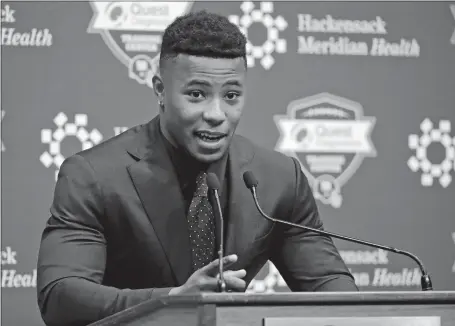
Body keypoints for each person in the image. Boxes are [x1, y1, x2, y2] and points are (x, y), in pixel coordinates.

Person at [36, 10, 358, 326]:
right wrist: (171, 301)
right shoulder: (93, 175)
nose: (217, 113)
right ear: (161, 90)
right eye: (197, 94)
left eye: (231, 95)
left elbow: (332, 291)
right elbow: (61, 297)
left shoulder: (278, 178)